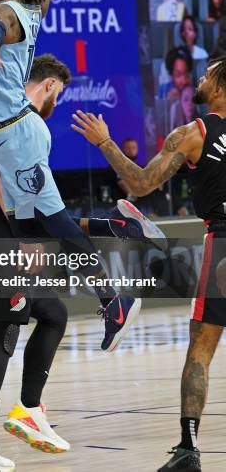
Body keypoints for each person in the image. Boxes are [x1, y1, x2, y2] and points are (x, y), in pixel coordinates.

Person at [0, 54, 167, 469]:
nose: (59, 102)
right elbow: (3, 185)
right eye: (61, 93)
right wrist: (21, 240)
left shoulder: (5, 119)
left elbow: (48, 216)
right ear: (49, 85)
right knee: (3, 333)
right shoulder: (26, 124)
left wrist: (107, 227)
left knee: (53, 314)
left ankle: (28, 410)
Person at [0, 0, 146, 353]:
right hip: (8, 135)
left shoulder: (4, 12)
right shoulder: (32, 4)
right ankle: (112, 230)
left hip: (16, 134)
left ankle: (114, 298)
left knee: (53, 225)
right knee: (32, 233)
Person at [71, 56, 226, 472]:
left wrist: (105, 142)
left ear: (222, 88)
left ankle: (189, 448)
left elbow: (140, 183)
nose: (200, 78)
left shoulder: (195, 133)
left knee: (201, 348)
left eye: (208, 76)